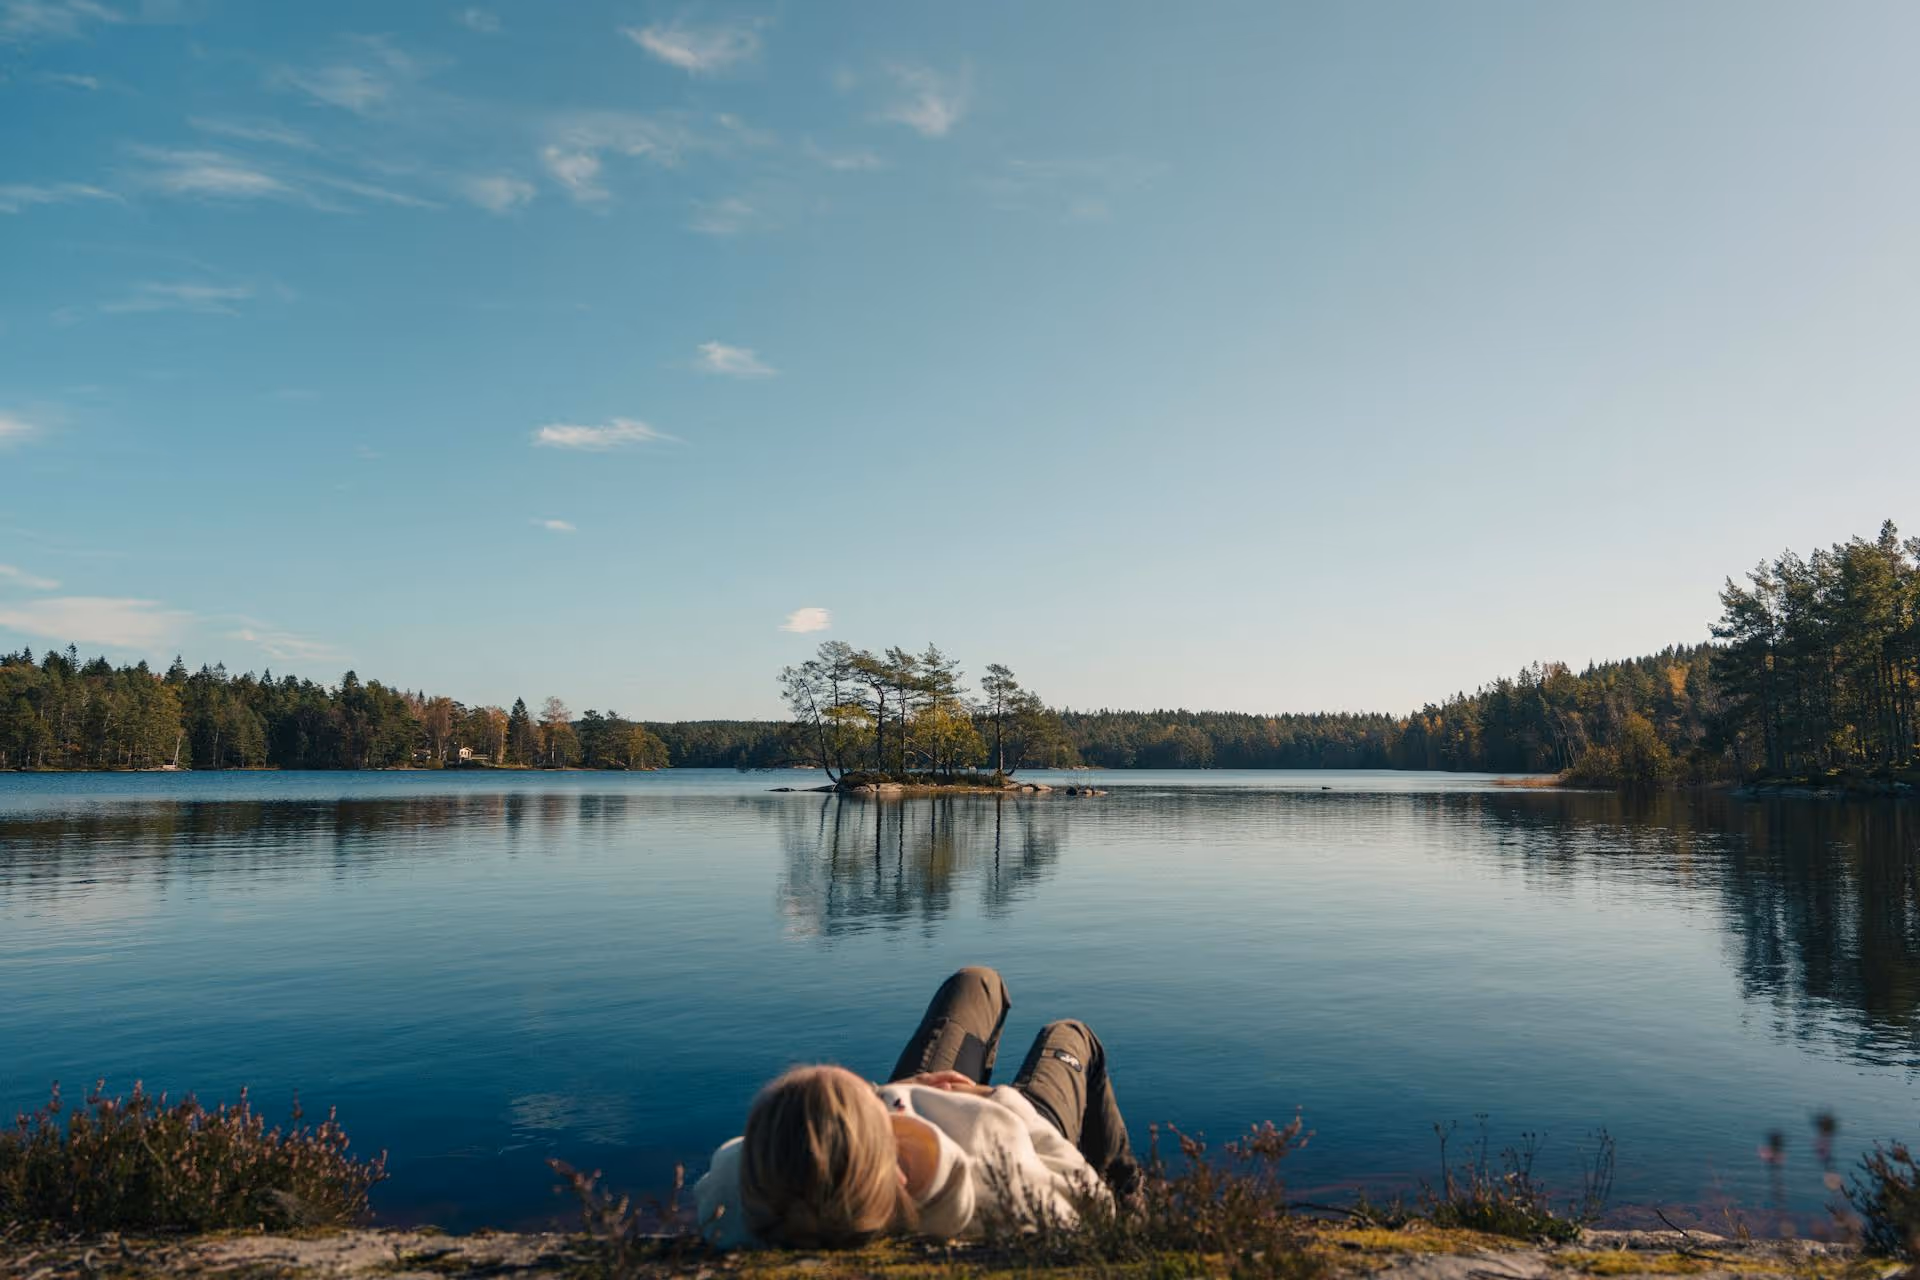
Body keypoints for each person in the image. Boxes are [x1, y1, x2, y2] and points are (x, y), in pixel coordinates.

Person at [692, 965, 1142, 1249]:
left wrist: (898, 1091)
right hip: (1010, 1119)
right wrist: (997, 1100)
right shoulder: (997, 1181)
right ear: (893, 1161)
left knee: (974, 983)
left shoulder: (749, 1203)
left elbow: (737, 1160)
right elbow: (1088, 1202)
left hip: (913, 1112)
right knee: (1071, 1034)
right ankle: (1138, 1206)